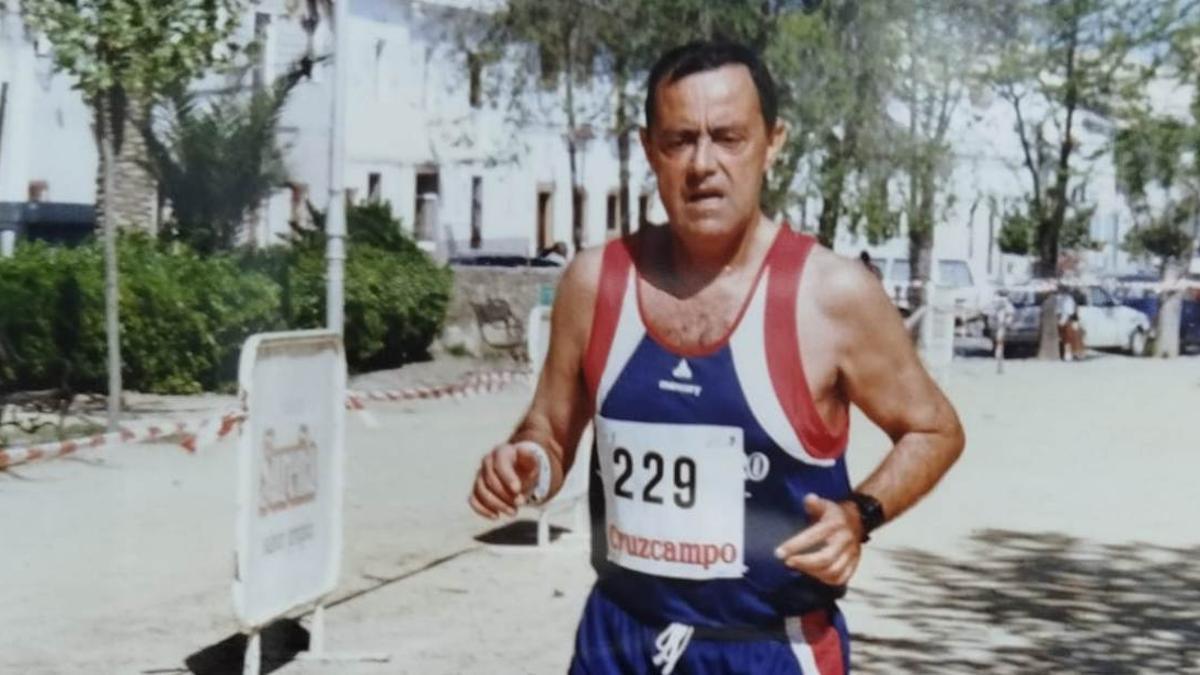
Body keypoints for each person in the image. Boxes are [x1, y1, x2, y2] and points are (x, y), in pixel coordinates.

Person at [468, 41, 964, 674]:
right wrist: (526, 463)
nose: (703, 164)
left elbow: (934, 428)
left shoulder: (830, 294)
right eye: (680, 140)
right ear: (650, 150)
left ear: (773, 142)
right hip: (618, 637)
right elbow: (550, 427)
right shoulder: (595, 284)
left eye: (728, 137)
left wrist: (857, 515)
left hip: (766, 646)